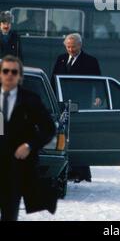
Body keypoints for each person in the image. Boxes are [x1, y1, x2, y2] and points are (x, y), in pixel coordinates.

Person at [0, 55, 56, 221]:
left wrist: (30, 145)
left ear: (20, 76)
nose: (9, 75)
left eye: (14, 72)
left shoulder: (31, 100)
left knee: (9, 213)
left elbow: (49, 128)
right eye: (5, 71)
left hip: (15, 168)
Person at [51, 33, 101, 182]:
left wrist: (99, 96)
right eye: (68, 47)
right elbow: (53, 79)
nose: (71, 49)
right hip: (62, 102)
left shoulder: (90, 61)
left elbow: (98, 81)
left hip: (81, 103)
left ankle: (82, 173)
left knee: (79, 135)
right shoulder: (60, 58)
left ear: (80, 45)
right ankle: (67, 170)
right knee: (62, 135)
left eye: (73, 46)